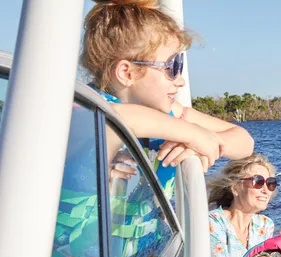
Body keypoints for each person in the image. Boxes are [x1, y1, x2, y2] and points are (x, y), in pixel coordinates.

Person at [82, 0, 255, 194]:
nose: (181, 81)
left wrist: (210, 141)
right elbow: (121, 118)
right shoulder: (85, 112)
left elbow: (244, 141)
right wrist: (193, 135)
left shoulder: (168, 112)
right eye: (172, 67)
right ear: (127, 73)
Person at [207, 154, 279, 257]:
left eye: (270, 184)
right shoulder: (212, 223)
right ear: (235, 188)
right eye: (258, 182)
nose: (266, 190)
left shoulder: (265, 226)